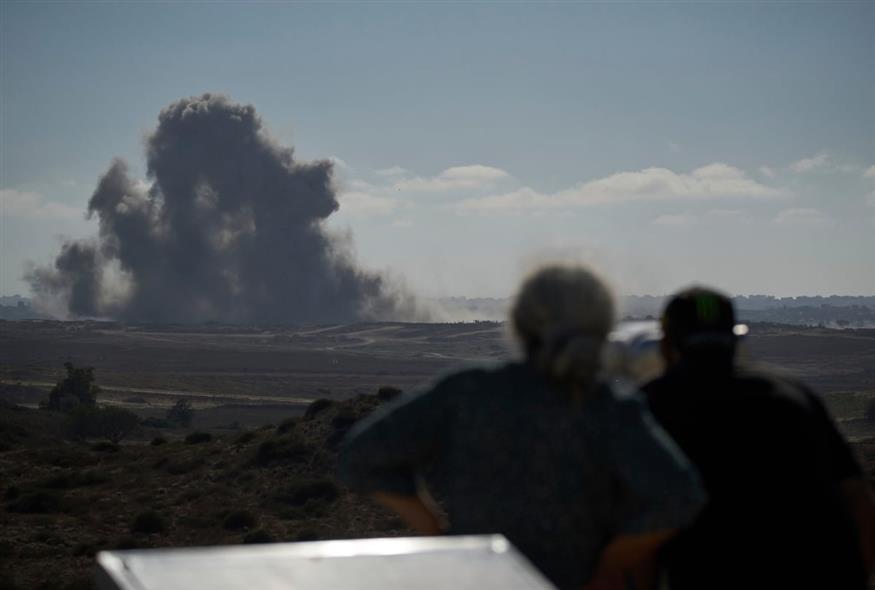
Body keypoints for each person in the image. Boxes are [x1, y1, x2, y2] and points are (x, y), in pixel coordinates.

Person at [338, 265, 705, 590]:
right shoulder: (609, 407)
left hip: (481, 580)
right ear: (602, 326)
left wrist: (436, 532)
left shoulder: (468, 391)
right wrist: (612, 564)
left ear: (519, 321)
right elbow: (680, 496)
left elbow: (360, 456)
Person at [642, 287, 874, 590]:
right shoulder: (793, 395)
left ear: (665, 346)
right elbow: (858, 499)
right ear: (737, 340)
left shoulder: (648, 406)